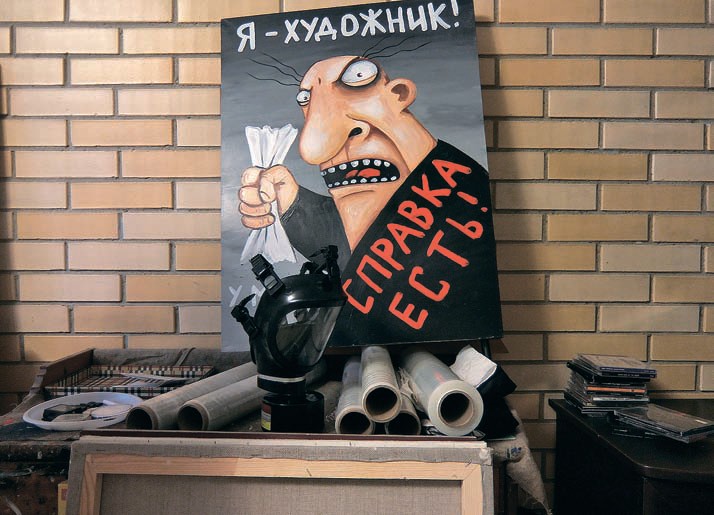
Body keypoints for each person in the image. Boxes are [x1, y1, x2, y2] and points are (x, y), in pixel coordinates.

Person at [238, 55, 502, 346]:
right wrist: (295, 206)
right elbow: (367, 253)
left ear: (400, 94)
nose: (313, 149)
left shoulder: (466, 211)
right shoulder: (405, 227)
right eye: (306, 100)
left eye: (357, 79)